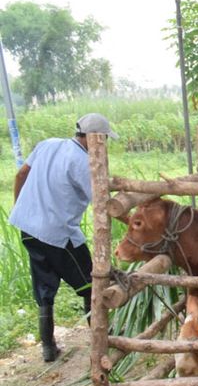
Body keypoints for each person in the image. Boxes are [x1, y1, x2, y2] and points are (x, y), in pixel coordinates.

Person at [10, 113, 118, 362]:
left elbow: (20, 175)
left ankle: (48, 347)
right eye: (104, 139)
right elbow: (102, 204)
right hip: (58, 234)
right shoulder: (84, 162)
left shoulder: (47, 144)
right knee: (91, 284)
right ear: (95, 138)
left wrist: (22, 209)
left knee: (44, 287)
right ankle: (102, 339)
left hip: (29, 229)